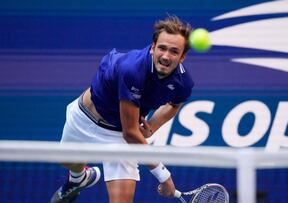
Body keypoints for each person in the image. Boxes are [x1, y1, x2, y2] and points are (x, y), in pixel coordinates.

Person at [51, 15, 194, 203]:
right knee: (68, 161)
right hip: (84, 119)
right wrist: (163, 175)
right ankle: (78, 178)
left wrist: (152, 126)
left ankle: (77, 178)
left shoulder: (183, 83)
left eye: (174, 51)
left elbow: (174, 104)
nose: (166, 56)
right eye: (162, 48)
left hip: (117, 136)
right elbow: (131, 133)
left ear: (183, 56)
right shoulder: (132, 69)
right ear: (153, 48)